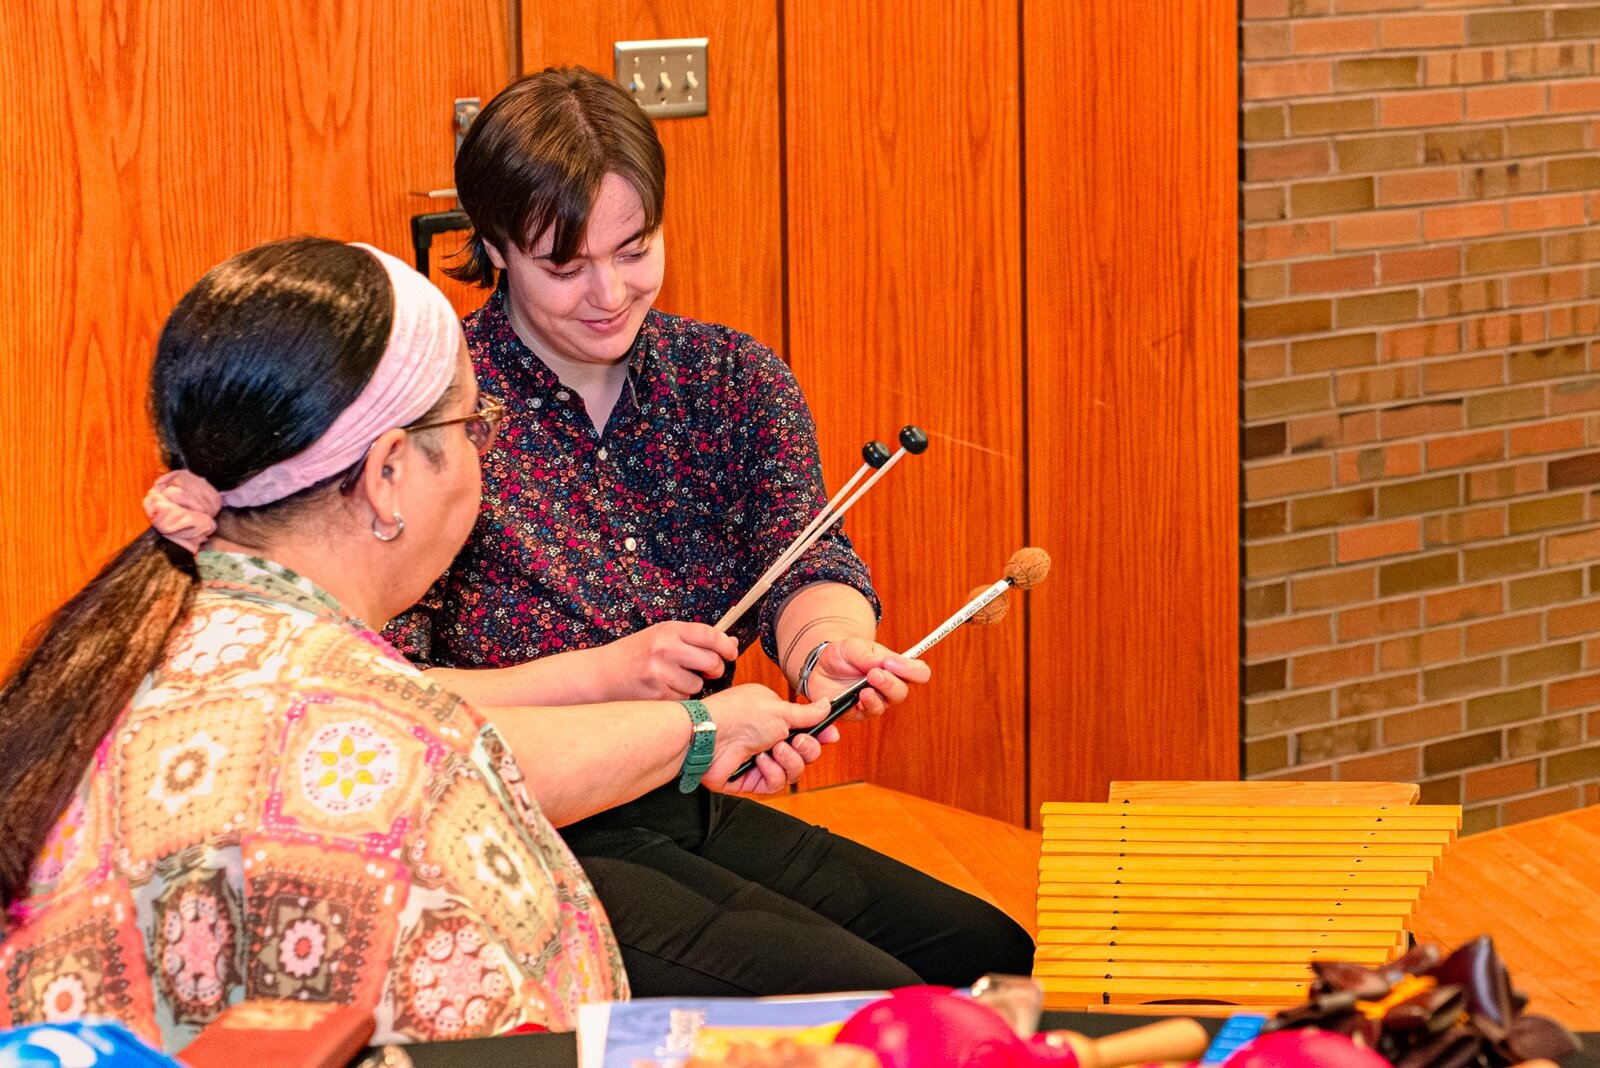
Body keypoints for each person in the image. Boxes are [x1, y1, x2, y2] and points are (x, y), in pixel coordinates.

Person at [0, 237, 834, 1051]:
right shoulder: (392, 767)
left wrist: (697, 723)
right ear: (387, 475)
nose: (482, 453)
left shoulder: (146, 638)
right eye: (473, 426)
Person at [387, 66, 1036, 996]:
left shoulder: (730, 378)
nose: (608, 292)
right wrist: (617, 682)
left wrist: (826, 649)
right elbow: (393, 700)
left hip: (686, 789)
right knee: (855, 1002)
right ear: (492, 248)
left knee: (983, 952)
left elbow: (804, 555)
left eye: (635, 247)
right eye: (565, 267)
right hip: (519, 822)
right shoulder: (442, 420)